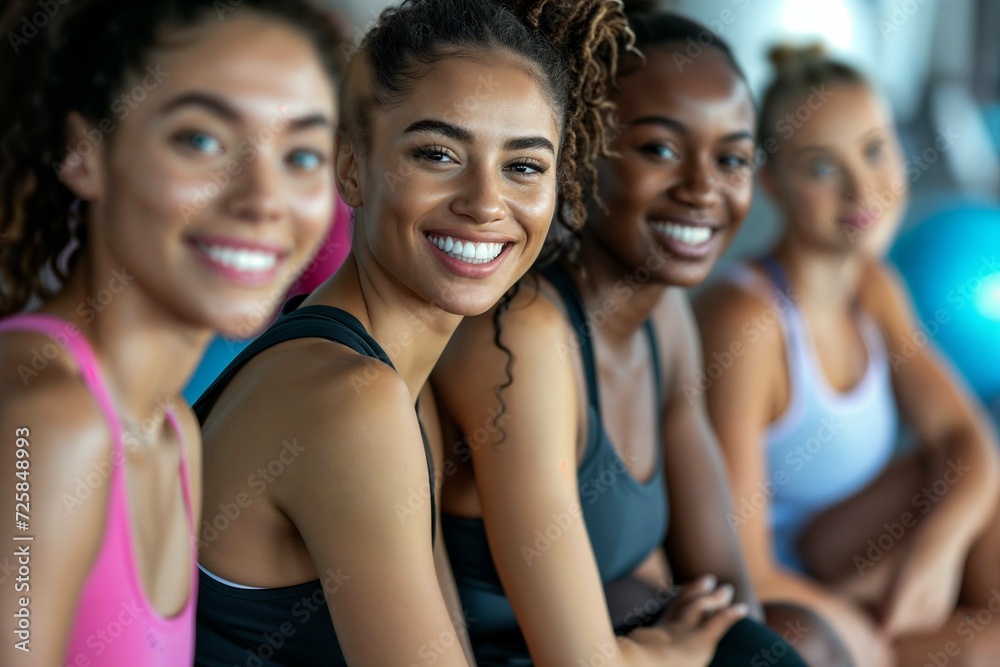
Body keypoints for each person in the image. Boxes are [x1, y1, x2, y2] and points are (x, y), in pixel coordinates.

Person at [191, 1, 633, 665]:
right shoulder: (348, 399)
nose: (485, 203)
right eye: (438, 154)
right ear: (349, 167)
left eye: (523, 166)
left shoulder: (399, 387)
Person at [431, 12, 832, 667]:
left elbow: (726, 590)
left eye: (730, 158)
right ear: (581, 150)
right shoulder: (524, 336)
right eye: (660, 150)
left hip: (617, 641)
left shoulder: (666, 319)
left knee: (794, 640)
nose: (703, 189)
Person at [0, 0, 340, 664]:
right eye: (202, 140)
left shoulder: (173, 428)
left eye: (302, 153)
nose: (264, 198)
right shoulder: (51, 425)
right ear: (87, 155)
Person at [695, 44, 1000, 666]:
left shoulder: (873, 287)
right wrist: (858, 637)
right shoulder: (746, 320)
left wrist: (934, 554)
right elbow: (738, 562)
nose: (863, 188)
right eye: (823, 168)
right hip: (780, 604)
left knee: (977, 496)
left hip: (849, 561)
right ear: (773, 183)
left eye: (873, 150)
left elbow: (966, 437)